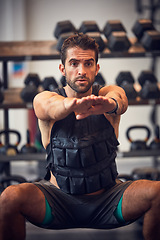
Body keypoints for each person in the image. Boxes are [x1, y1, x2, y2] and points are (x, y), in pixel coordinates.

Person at [0, 33, 160, 240]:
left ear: (97, 68)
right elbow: (48, 107)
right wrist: (70, 105)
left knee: (157, 193)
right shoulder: (46, 98)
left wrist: (110, 105)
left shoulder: (107, 94)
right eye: (74, 63)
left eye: (88, 63)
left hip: (108, 199)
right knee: (9, 197)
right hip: (57, 201)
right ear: (62, 68)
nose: (81, 71)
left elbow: (119, 97)